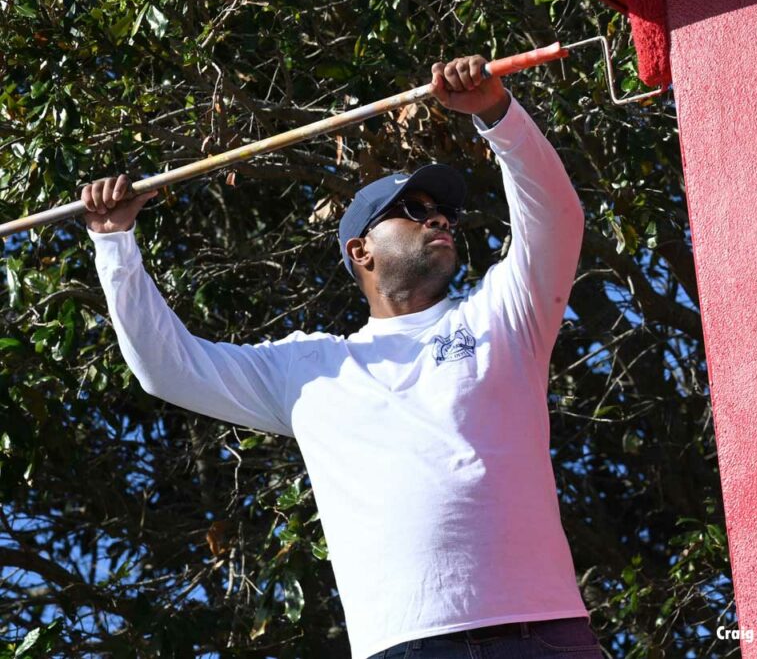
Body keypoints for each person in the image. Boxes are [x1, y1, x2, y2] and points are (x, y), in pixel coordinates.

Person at [83, 55, 597, 659]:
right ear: (360, 250)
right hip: (404, 645)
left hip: (547, 634)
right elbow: (168, 367)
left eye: (444, 212)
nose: (437, 217)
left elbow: (556, 217)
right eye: (413, 210)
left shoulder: (502, 318)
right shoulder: (307, 369)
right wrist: (113, 243)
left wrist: (495, 111)